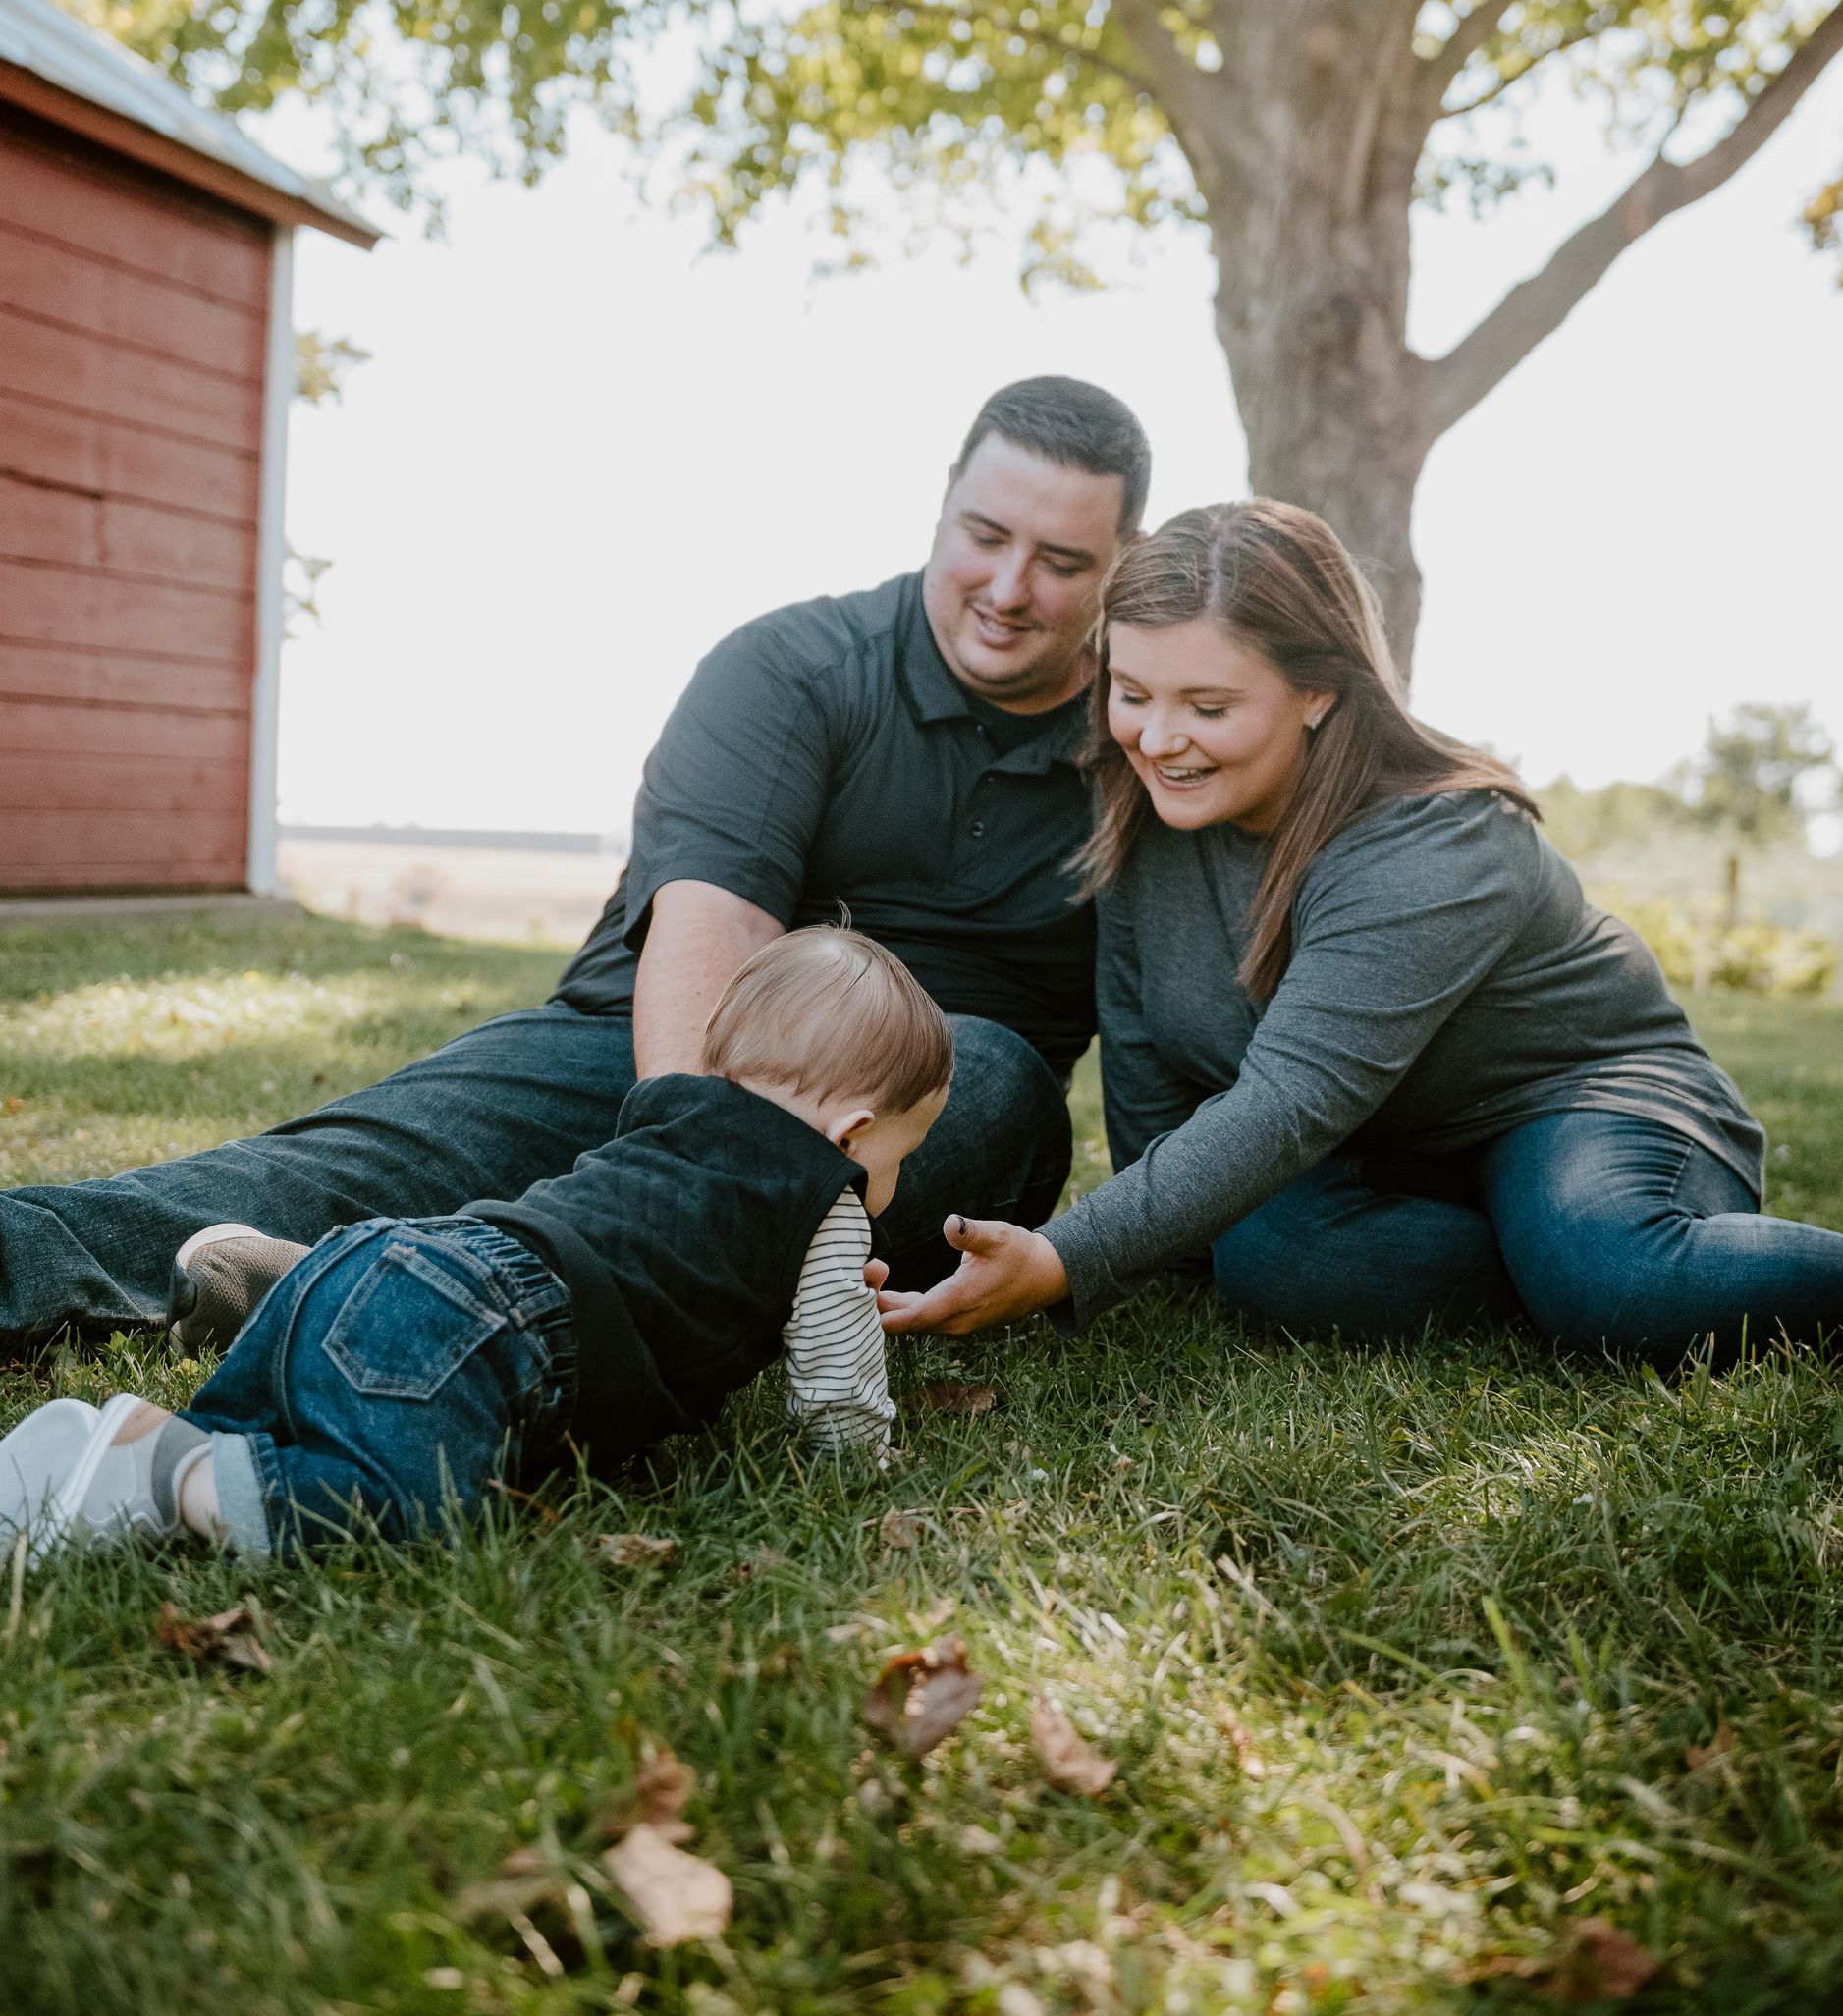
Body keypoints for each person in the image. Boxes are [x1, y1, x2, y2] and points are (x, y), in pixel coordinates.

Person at [0, 375, 1150, 1353]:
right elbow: (717, 929)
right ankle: (319, 1279)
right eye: (986, 538)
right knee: (301, 1175)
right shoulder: (795, 669)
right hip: (640, 1048)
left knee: (988, 1074)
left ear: (1122, 563)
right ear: (942, 506)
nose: (1007, 591)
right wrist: (689, 1164)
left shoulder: (1147, 743)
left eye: (1058, 561)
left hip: (912, 1132)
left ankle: (405, 1289)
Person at [881, 498, 1843, 1366]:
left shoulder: (1434, 839)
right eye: (1133, 694)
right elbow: (1143, 1048)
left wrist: (1067, 1258)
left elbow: (1286, 1103)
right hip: (1382, 1151)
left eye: (1209, 704)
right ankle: (1545, 1261)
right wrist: (1161, 1261)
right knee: (1267, 1254)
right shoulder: (1146, 803)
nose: (1157, 737)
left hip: (1579, 1107)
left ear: (1320, 688)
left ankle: (1593, 1255)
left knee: (1614, 1282)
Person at [0, 931, 948, 1564]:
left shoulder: (662, 1114)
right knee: (390, 1512)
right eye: (901, 1157)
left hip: (402, 1253)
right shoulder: (824, 1195)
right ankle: (168, 1471)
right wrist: (854, 1455)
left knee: (278, 1427)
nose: (887, 1182)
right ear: (853, 1133)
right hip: (478, 1327)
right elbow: (837, 1369)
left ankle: (157, 1412)